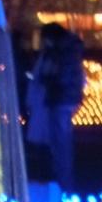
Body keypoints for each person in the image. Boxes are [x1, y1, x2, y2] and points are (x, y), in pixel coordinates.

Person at [33, 23, 84, 192]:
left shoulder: (62, 53)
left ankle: (64, 181)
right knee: (59, 141)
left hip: (61, 99)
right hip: (63, 99)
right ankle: (62, 179)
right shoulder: (68, 51)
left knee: (61, 142)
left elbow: (57, 75)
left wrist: (49, 79)